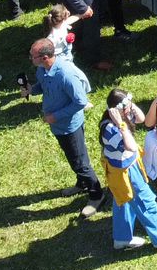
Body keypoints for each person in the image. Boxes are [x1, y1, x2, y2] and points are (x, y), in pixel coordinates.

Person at [97, 88, 157, 252]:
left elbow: (141, 119)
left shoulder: (121, 115)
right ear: (118, 109)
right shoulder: (110, 129)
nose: (130, 109)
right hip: (126, 172)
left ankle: (122, 239)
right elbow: (130, 145)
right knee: (145, 201)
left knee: (123, 202)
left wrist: (130, 106)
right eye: (127, 106)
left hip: (122, 169)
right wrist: (122, 125)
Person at [31, 36, 107, 214]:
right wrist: (31, 90)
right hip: (58, 126)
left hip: (69, 127)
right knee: (72, 158)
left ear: (45, 57)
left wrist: (55, 116)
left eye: (32, 56)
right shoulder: (43, 70)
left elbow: (80, 102)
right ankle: (82, 184)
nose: (30, 59)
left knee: (81, 162)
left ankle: (97, 195)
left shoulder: (65, 74)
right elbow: (42, 85)